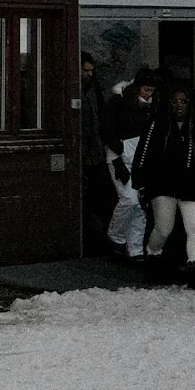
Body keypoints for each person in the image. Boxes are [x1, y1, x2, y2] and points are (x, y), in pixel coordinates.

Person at [131, 83, 195, 284]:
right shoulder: (157, 124)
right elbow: (145, 154)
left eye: (183, 102)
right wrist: (142, 181)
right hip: (164, 184)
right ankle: (153, 253)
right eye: (174, 101)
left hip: (191, 185)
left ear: (190, 104)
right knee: (163, 227)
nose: (178, 106)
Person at [101, 68, 159, 258]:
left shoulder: (151, 107)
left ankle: (134, 248)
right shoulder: (119, 102)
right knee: (130, 200)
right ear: (137, 87)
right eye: (146, 89)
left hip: (139, 158)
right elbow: (106, 128)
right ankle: (116, 237)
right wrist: (117, 148)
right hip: (121, 157)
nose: (148, 94)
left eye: (151, 90)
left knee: (139, 204)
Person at [80, 53, 112, 254]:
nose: (89, 74)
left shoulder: (94, 89)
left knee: (98, 189)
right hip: (84, 146)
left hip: (93, 148)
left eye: (91, 70)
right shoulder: (84, 90)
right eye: (86, 70)